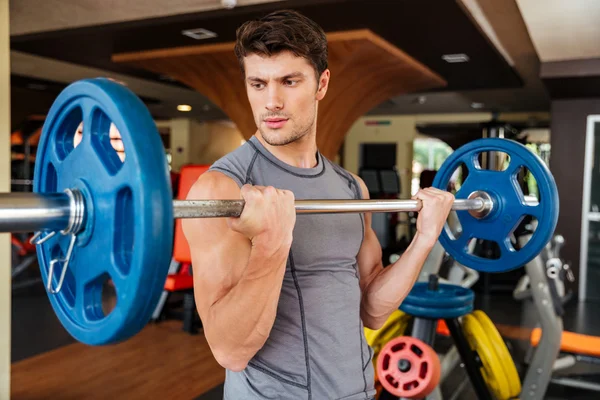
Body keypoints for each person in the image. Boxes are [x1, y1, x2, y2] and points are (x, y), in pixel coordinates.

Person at [182, 9, 454, 400]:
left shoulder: (349, 188)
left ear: (321, 83)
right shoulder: (221, 190)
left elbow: (373, 311)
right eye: (258, 84)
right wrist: (271, 245)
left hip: (357, 390)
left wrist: (425, 239)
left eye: (289, 81)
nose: (271, 101)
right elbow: (229, 350)